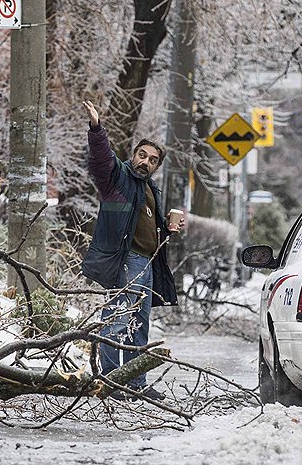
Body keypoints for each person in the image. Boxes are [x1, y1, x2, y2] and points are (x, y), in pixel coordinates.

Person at [80, 100, 185, 401]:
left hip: (147, 264)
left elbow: (142, 220)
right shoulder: (118, 179)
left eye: (152, 160)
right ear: (134, 155)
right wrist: (97, 128)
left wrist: (165, 227)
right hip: (127, 261)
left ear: (156, 167)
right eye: (142, 155)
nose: (145, 162)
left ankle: (136, 384)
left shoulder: (149, 189)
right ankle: (113, 382)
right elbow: (101, 160)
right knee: (117, 321)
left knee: (140, 326)